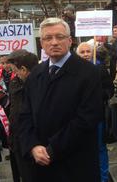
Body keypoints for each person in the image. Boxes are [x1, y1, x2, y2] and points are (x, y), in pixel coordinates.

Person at [18, 18, 103, 182]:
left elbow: (87, 118)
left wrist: (52, 148)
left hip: (75, 164)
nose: (54, 42)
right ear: (41, 43)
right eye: (48, 38)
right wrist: (33, 146)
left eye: (59, 37)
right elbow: (25, 115)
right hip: (40, 163)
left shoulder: (88, 73)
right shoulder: (36, 73)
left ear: (70, 41)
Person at [76, 42, 113, 182]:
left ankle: (103, 178)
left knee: (100, 148)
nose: (86, 54)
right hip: (78, 119)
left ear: (92, 53)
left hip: (97, 117)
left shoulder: (100, 68)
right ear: (77, 54)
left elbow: (110, 90)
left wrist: (97, 95)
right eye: (82, 52)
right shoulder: (72, 71)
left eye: (88, 51)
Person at [7, 49, 38, 182]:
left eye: (15, 70)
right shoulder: (15, 83)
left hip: (32, 141)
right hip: (17, 139)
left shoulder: (39, 84)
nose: (14, 74)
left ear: (24, 69)